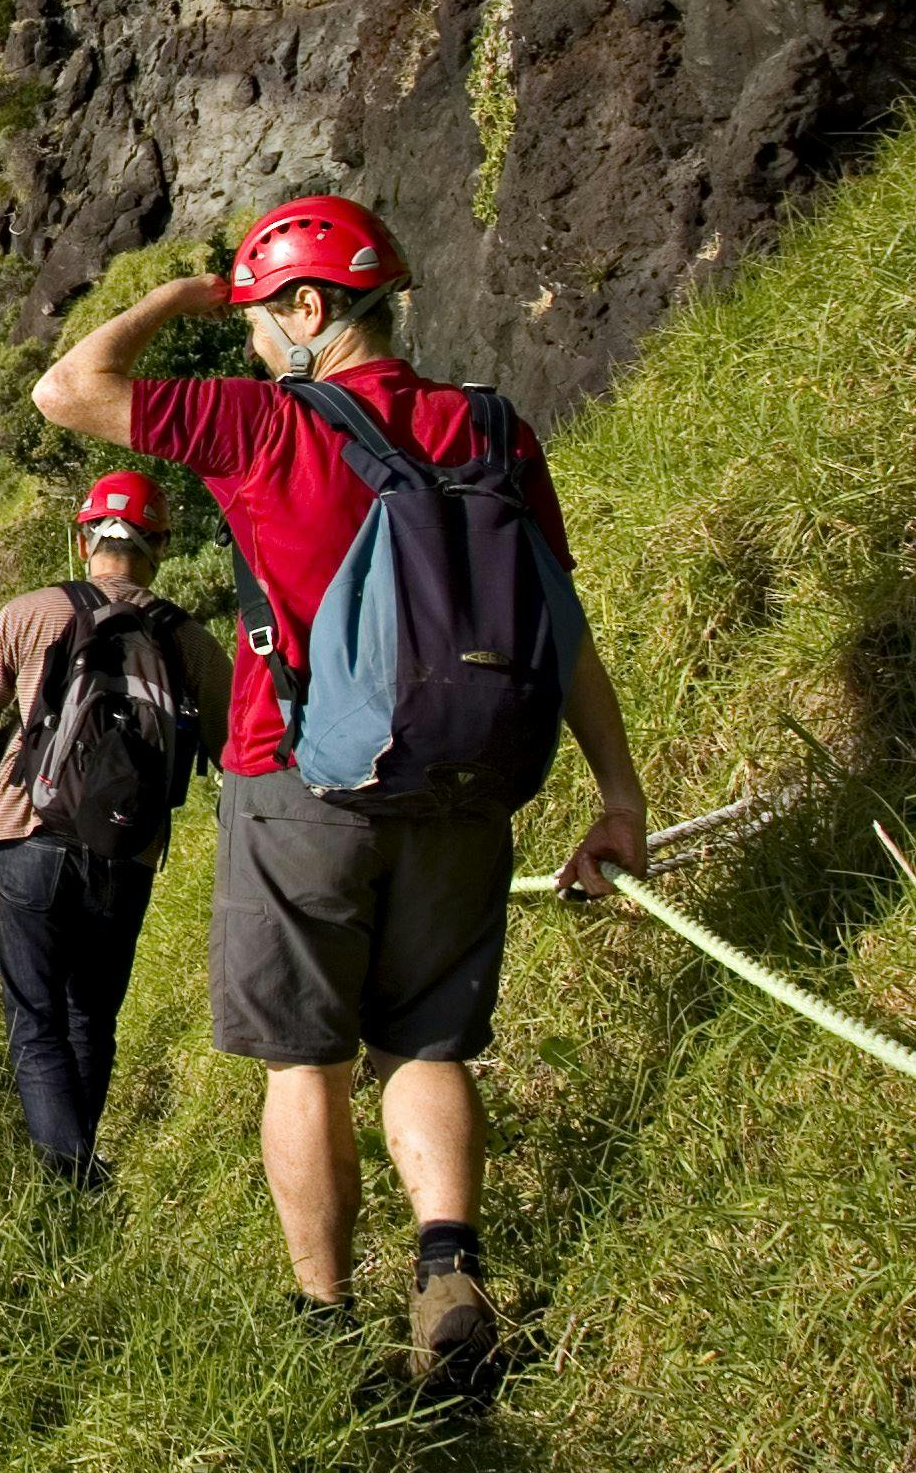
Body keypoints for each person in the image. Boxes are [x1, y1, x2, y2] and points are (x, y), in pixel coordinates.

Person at [32, 195, 651, 1382]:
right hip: (467, 784)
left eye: (262, 319)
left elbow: (68, 389)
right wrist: (617, 795)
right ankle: (448, 1267)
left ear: (309, 308)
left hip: (298, 783)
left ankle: (326, 1323)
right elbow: (560, 628)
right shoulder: (494, 431)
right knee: (428, 1043)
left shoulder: (266, 425)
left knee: (305, 1060)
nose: (255, 340)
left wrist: (183, 297)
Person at [0, 466, 228, 1190]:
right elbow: (239, 747)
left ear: (84, 537)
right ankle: (77, 1176)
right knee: (91, 1016)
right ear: (159, 544)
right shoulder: (187, 638)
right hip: (127, 849)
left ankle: (71, 1180)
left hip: (29, 833)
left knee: (36, 1020)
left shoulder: (30, 614)